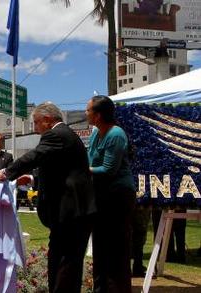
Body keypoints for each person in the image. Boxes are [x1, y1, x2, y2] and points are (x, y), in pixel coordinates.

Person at [0, 102, 96, 293]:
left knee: (65, 266)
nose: (34, 129)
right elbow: (56, 168)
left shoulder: (55, 134)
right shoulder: (64, 135)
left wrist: (7, 172)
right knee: (62, 263)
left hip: (71, 214)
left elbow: (35, 156)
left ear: (48, 121)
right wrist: (33, 178)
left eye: (36, 123)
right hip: (72, 214)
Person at [86, 95, 135, 292]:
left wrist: (83, 169)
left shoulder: (116, 135)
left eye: (88, 110)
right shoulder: (95, 133)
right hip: (100, 197)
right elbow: (91, 161)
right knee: (100, 248)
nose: (86, 113)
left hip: (118, 198)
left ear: (97, 115)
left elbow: (107, 170)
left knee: (117, 251)